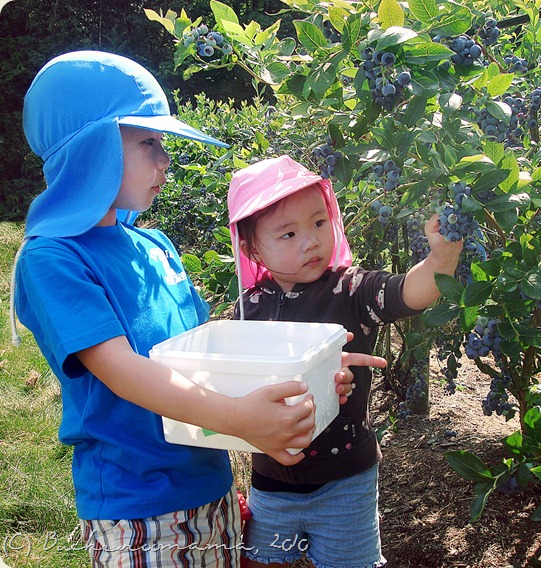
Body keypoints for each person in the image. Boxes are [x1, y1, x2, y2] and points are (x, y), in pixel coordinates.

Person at [9, 51, 385, 568]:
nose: (165, 159)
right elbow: (121, 371)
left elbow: (209, 349)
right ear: (90, 148)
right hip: (137, 506)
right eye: (150, 142)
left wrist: (306, 371)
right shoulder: (54, 259)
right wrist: (242, 420)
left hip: (210, 486)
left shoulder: (155, 246)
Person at [228, 155, 463, 568]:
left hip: (345, 484)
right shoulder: (249, 309)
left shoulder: (350, 289)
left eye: (319, 223)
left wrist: (440, 261)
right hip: (271, 481)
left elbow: (408, 292)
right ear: (252, 248)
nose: (311, 241)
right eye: (288, 234)